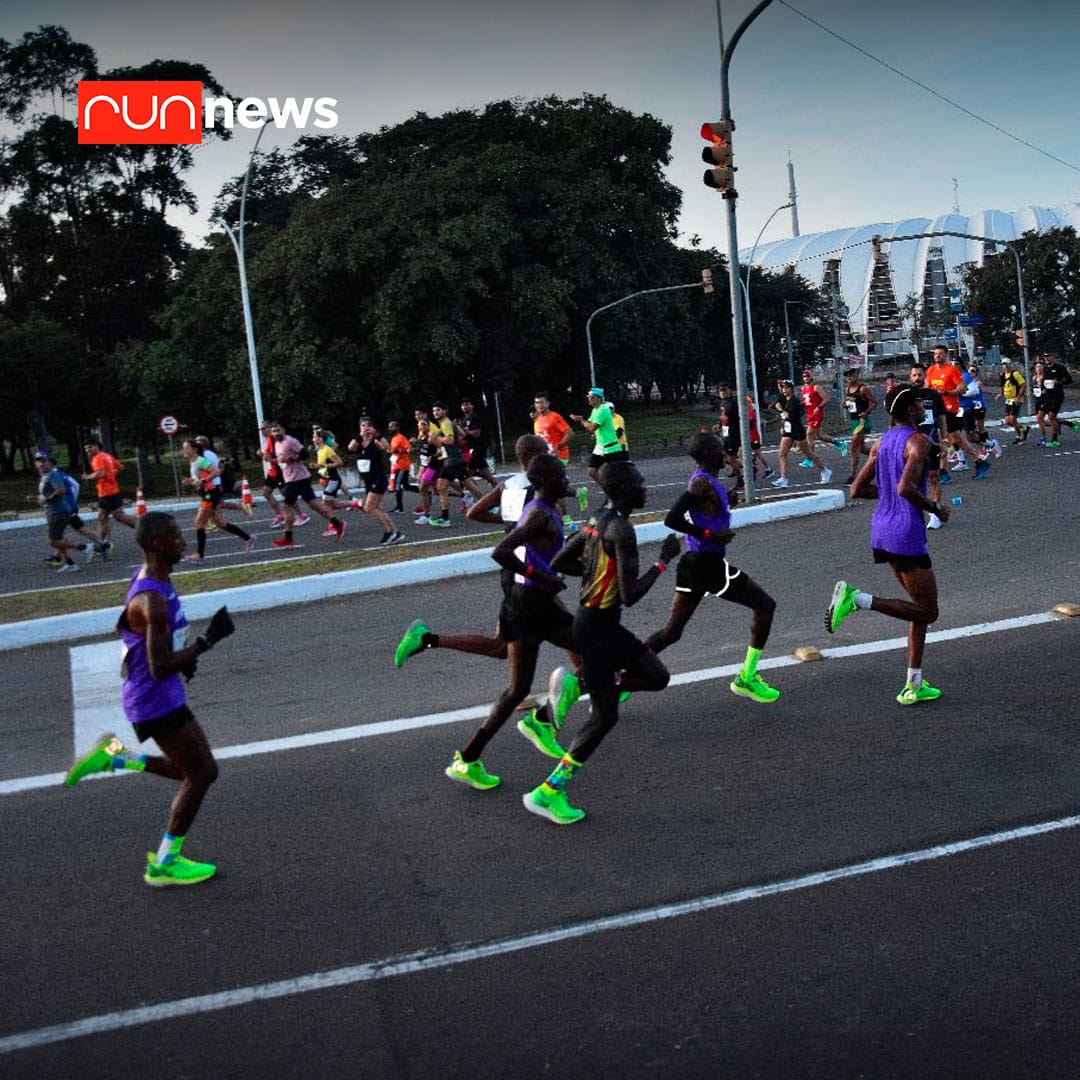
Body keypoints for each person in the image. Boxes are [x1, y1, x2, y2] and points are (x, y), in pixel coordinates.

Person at [62, 511, 236, 886]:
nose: (183, 538)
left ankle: (116, 758)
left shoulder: (153, 580)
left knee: (192, 772)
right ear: (156, 543)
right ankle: (164, 864)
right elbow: (159, 667)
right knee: (203, 773)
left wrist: (177, 657)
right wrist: (206, 643)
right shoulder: (152, 598)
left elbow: (124, 625)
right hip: (154, 699)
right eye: (175, 535)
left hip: (160, 694)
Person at [522, 461, 681, 825]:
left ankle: (579, 687)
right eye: (639, 484)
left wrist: (594, 572)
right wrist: (662, 562)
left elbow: (561, 560)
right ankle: (548, 791)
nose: (645, 489)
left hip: (590, 624)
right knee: (606, 715)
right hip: (600, 630)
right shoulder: (622, 530)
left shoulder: (597, 520)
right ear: (625, 489)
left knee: (654, 679)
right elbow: (629, 596)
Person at [394, 434, 582, 739]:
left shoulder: (509, 484)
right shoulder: (539, 490)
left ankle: (427, 639)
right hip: (528, 573)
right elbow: (545, 530)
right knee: (568, 635)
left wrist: (509, 524)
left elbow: (474, 512)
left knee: (504, 647)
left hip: (515, 571)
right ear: (535, 456)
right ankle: (589, 686)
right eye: (546, 452)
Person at [443, 455, 583, 790]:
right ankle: (541, 719)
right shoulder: (536, 513)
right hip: (530, 603)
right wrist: (542, 578)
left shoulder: (548, 510)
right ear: (544, 482)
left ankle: (469, 758)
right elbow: (501, 552)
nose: (566, 481)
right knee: (590, 653)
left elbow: (552, 557)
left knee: (519, 687)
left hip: (534, 601)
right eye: (561, 476)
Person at [826, 385, 948, 706]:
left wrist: (890, 496)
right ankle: (857, 599)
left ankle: (914, 683)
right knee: (929, 610)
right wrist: (936, 508)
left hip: (882, 529)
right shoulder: (918, 441)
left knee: (917, 608)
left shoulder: (881, 442)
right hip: (906, 532)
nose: (924, 408)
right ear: (909, 411)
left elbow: (856, 489)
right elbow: (906, 487)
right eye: (919, 404)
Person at [644, 433, 780, 704]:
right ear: (708, 455)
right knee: (765, 606)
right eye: (719, 448)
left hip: (694, 563)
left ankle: (623, 674)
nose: (724, 452)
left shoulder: (708, 482)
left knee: (672, 631)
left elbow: (706, 510)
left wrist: (726, 502)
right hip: (707, 562)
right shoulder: (702, 482)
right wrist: (709, 534)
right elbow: (672, 518)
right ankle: (748, 677)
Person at [268, 422, 347, 548]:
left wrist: (290, 459)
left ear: (283, 429)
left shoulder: (290, 441)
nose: (276, 434)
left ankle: (288, 538)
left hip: (297, 478)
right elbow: (281, 459)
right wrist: (271, 459)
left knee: (284, 506)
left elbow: (304, 454)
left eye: (278, 430)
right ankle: (337, 524)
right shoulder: (277, 443)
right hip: (293, 478)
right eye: (274, 431)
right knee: (314, 505)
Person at [180, 438, 255, 562]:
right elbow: (200, 479)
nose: (183, 450)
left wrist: (202, 481)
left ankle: (199, 555)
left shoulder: (200, 460)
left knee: (199, 522)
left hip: (210, 494)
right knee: (220, 523)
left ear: (194, 449)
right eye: (183, 448)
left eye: (186, 447)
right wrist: (191, 481)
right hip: (207, 493)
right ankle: (248, 538)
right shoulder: (193, 462)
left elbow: (215, 472)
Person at [29, 452, 98, 571]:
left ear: (48, 462)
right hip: (52, 510)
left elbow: (61, 490)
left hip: (58, 511)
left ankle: (85, 547)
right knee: (58, 540)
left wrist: (47, 498)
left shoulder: (52, 475)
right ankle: (70, 564)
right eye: (38, 461)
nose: (41, 464)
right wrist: (36, 498)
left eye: (43, 461)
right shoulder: (44, 477)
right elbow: (46, 495)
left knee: (53, 541)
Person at [347, 417, 404, 545]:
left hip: (378, 479)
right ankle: (396, 532)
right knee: (378, 508)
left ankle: (388, 532)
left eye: (368, 426)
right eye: (362, 426)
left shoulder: (376, 440)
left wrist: (376, 434)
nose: (365, 428)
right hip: (368, 481)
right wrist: (360, 436)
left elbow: (387, 447)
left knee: (369, 508)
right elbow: (350, 448)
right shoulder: (359, 441)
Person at [908, 362, 949, 530]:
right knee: (913, 480)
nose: (917, 378)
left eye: (920, 375)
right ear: (910, 377)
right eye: (914, 375)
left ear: (925, 376)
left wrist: (945, 440)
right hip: (912, 443)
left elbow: (941, 419)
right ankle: (914, 514)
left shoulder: (933, 395)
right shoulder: (907, 395)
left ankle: (935, 513)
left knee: (933, 477)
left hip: (931, 442)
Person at [769, 379, 831, 488]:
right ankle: (783, 478)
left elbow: (789, 416)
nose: (784, 390)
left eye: (786, 388)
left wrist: (780, 410)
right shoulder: (784, 399)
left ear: (791, 389)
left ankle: (825, 470)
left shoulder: (795, 402)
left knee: (808, 453)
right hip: (788, 430)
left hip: (797, 430)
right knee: (782, 454)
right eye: (783, 388)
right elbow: (773, 405)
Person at [82, 437, 137, 550]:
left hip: (108, 492)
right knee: (103, 517)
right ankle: (102, 544)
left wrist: (88, 476)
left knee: (119, 516)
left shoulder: (98, 458)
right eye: (86, 448)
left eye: (90, 447)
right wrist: (111, 474)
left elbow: (100, 474)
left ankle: (144, 527)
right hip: (107, 491)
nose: (88, 450)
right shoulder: (106, 456)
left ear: (97, 446)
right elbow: (120, 467)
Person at [571, 387, 629, 484]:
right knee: (592, 471)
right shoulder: (595, 410)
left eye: (592, 397)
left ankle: (617, 491)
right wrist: (581, 419)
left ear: (599, 398)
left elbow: (591, 427)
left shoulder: (603, 410)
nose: (589, 399)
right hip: (600, 447)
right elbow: (589, 423)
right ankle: (608, 489)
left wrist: (581, 420)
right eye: (588, 397)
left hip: (610, 447)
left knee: (615, 475)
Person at [840, 368, 878, 483]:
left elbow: (875, 402)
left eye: (851, 376)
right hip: (854, 420)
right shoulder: (848, 389)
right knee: (861, 448)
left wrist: (866, 412)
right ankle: (880, 455)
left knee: (853, 448)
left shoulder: (863, 389)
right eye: (847, 376)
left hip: (862, 421)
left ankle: (852, 476)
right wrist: (845, 405)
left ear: (856, 376)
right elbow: (850, 402)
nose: (849, 378)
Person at [799, 368, 844, 463]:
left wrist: (818, 407)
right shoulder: (803, 389)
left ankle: (809, 459)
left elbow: (826, 399)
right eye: (804, 376)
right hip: (809, 414)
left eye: (808, 376)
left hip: (817, 414)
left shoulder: (816, 387)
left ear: (812, 377)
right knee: (819, 436)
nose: (806, 378)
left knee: (809, 434)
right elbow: (807, 400)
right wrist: (800, 405)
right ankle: (840, 444)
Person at [458, 397, 498, 490]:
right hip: (468, 449)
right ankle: (498, 488)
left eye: (467, 404)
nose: (465, 407)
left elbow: (477, 433)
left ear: (472, 406)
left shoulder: (476, 418)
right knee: (485, 473)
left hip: (478, 448)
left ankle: (474, 494)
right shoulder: (462, 420)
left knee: (466, 474)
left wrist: (465, 431)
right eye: (463, 405)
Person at [257, 420, 290, 528]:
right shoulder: (267, 440)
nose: (261, 431)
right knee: (266, 493)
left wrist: (269, 458)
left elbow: (279, 456)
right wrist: (262, 453)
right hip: (272, 472)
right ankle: (279, 515)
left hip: (278, 471)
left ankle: (300, 515)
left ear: (269, 428)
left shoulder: (274, 439)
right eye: (260, 429)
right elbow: (268, 454)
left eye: (263, 429)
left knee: (287, 495)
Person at [1039, 352, 1072, 446]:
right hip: (1047, 396)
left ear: (1053, 357)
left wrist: (1059, 382)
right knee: (1040, 416)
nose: (1046, 359)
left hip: (1057, 396)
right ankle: (1068, 423)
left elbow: (1069, 380)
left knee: (1051, 417)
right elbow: (1044, 380)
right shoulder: (1045, 368)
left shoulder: (1060, 368)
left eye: (1048, 356)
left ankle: (1054, 439)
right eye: (1045, 357)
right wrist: (1042, 389)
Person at [386, 419, 418, 513]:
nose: (390, 428)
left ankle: (400, 508)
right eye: (389, 426)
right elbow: (393, 450)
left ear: (397, 428)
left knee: (398, 486)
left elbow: (409, 449)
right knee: (406, 486)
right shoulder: (393, 438)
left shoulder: (401, 437)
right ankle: (425, 492)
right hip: (396, 465)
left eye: (392, 426)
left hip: (404, 465)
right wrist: (390, 451)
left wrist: (399, 451)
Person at [532, 392, 573, 467]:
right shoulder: (537, 419)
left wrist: (558, 447)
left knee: (550, 477)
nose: (539, 405)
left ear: (548, 403)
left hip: (559, 456)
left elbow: (570, 433)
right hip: (545, 456)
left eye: (542, 402)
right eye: (537, 403)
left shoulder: (555, 417)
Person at [996, 357, 1029, 443]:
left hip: (1016, 399)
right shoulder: (1003, 375)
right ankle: (1023, 429)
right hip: (1008, 399)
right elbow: (1002, 386)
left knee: (1013, 419)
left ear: (1010, 365)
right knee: (1008, 421)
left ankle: (1018, 437)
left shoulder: (1015, 374)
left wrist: (1018, 397)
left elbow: (1023, 385)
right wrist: (1000, 394)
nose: (1005, 366)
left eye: (1007, 364)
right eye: (1003, 364)